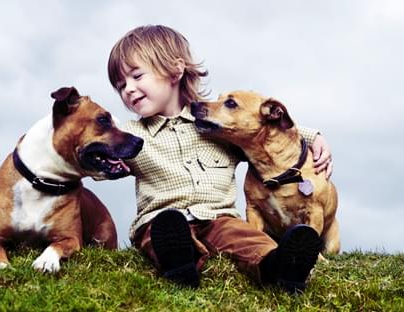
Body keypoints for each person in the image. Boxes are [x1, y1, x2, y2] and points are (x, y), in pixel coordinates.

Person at [107, 25, 333, 293]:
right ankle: (180, 265)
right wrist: (106, 161)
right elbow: (96, 149)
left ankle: (279, 266)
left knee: (246, 237)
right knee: (161, 231)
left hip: (218, 218)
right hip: (163, 217)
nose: (128, 90)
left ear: (176, 71)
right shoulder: (130, 135)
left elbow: (264, 133)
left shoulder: (219, 127)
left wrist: (313, 136)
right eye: (121, 86)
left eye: (136, 76)